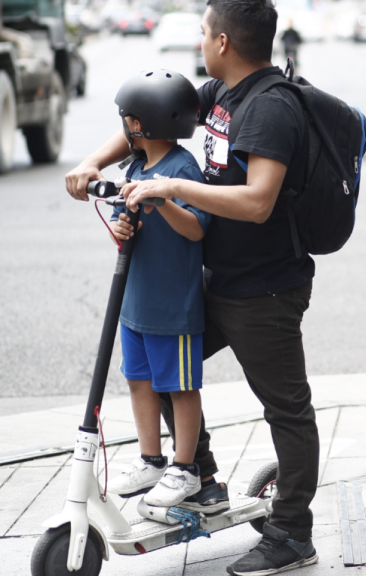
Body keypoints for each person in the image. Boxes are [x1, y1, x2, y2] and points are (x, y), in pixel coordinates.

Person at [66, 0, 321, 573]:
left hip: (265, 288)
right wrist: (91, 162)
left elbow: (257, 202)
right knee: (158, 367)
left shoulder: (270, 108)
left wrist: (166, 191)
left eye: (204, 33)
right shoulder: (219, 93)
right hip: (213, 278)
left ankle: (292, 532)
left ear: (224, 42)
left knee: (286, 408)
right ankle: (196, 475)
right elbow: (144, 126)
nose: (200, 42)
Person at [104, 71, 212, 511]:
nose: (123, 126)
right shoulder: (135, 165)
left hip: (173, 308)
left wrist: (162, 199)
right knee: (139, 381)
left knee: (180, 388)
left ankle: (186, 468)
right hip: (136, 302)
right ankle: (152, 458)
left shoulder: (181, 170)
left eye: (126, 119)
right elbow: (124, 225)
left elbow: (196, 229)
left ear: (141, 124)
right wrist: (121, 225)